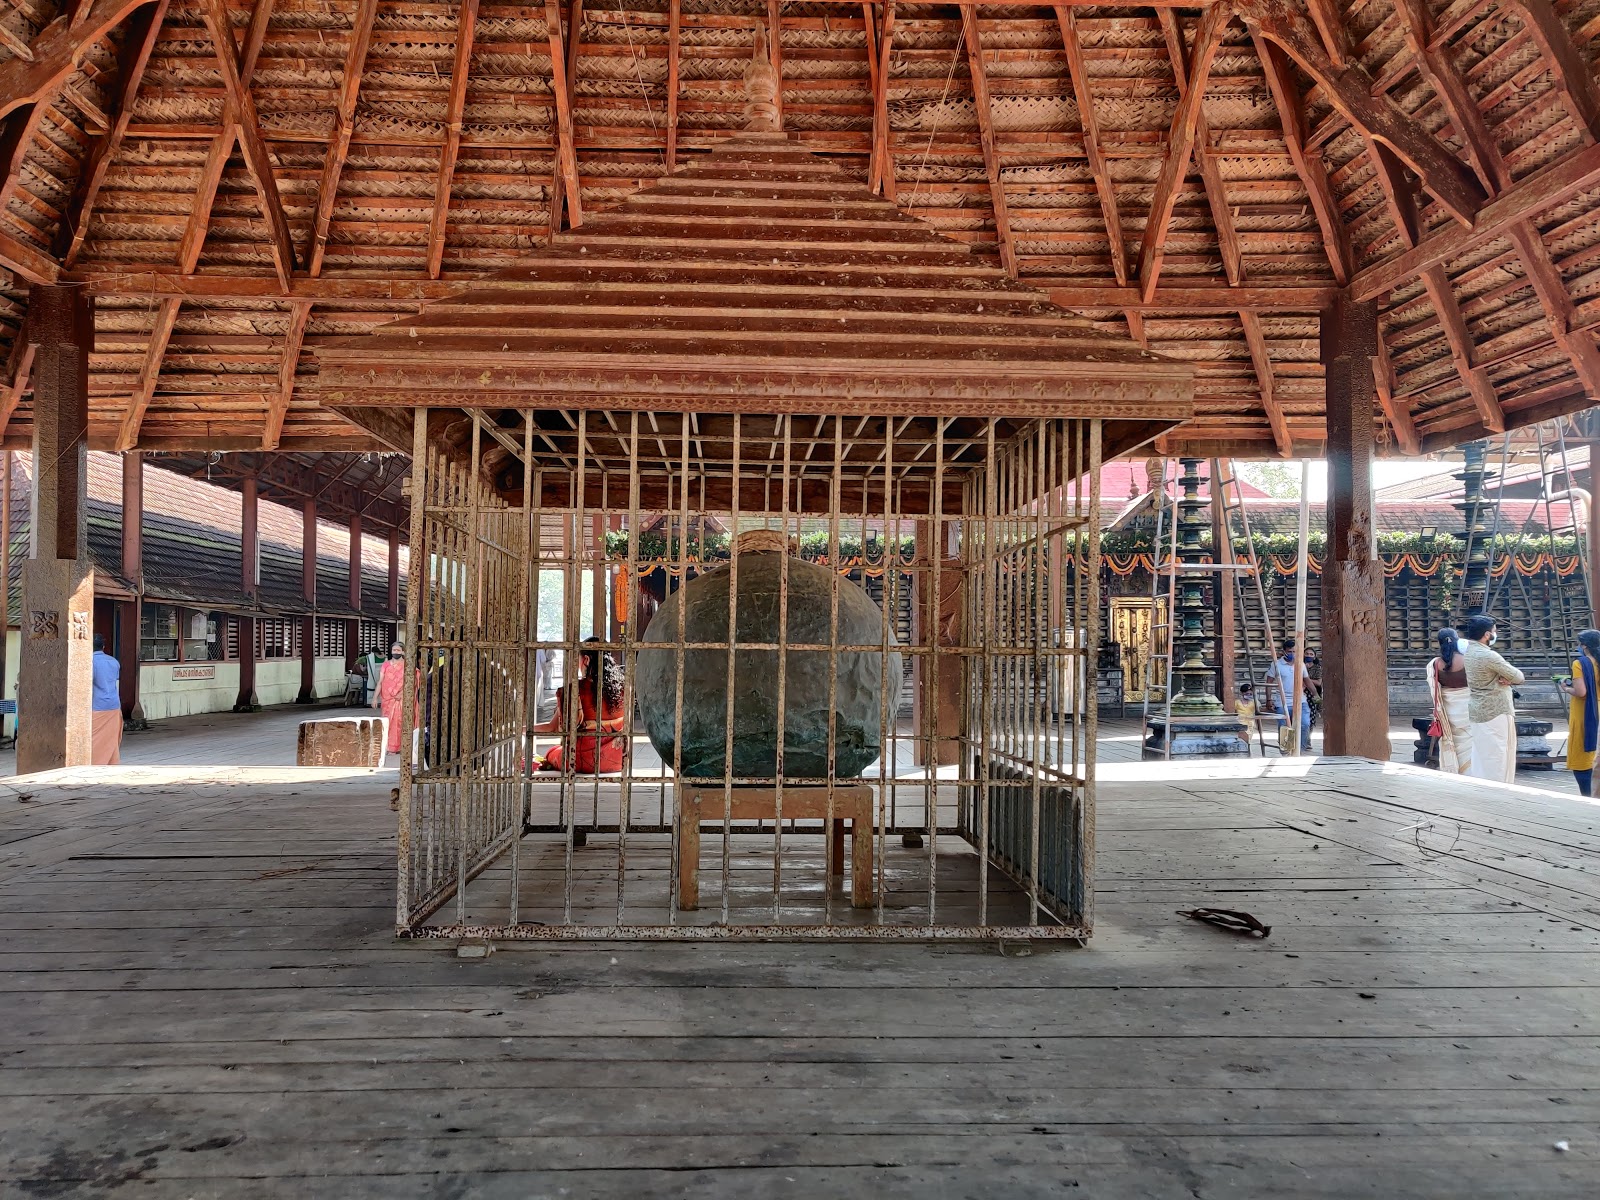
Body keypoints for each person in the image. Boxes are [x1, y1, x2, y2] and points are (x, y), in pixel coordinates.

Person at [532, 638, 626, 774]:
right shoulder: (622, 690)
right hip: (618, 760)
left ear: (586, 660)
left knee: (552, 753)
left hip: (581, 761)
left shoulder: (575, 690)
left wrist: (521, 730)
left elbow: (553, 728)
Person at [1460, 614, 1523, 784]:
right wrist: (1508, 679)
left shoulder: (1469, 652)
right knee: (1498, 755)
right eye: (1494, 631)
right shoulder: (1489, 656)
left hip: (1478, 708)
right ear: (1487, 635)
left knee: (1482, 753)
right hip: (1496, 710)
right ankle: (1497, 790)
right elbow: (1518, 676)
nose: (1495, 634)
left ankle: (1481, 787)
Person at [1559, 629, 1600, 797]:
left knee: (1582, 754)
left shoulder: (1581, 663)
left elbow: (1581, 692)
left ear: (1585, 646)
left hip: (1586, 712)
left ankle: (1586, 794)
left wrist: (1566, 687)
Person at [1428, 627, 1472, 775]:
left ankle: (1453, 768)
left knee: (1452, 739)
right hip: (1468, 708)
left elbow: (1436, 687)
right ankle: (1471, 770)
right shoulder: (1467, 660)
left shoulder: (1435, 664)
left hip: (1448, 710)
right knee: (1470, 741)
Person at [371, 642, 419, 760]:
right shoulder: (386, 665)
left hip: (403, 698)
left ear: (403, 652)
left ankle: (402, 747)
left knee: (401, 722)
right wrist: (374, 698)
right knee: (388, 722)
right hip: (387, 699)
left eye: (398, 650)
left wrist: (402, 693)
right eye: (394, 650)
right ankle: (390, 747)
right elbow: (380, 682)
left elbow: (412, 682)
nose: (396, 652)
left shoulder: (408, 665)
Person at [1272, 638, 1319, 753]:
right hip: (1282, 702)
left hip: (1300, 700)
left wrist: (1316, 695)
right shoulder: (1277, 664)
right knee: (1285, 728)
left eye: (1294, 651)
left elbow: (1307, 681)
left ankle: (1300, 751)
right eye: (1289, 651)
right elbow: (1269, 681)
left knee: (1304, 724)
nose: (1292, 654)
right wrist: (1268, 699)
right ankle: (1286, 751)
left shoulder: (1300, 664)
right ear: (1284, 651)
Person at [90, 635, 122, 766]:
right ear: (103, 647)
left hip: (96, 705)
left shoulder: (89, 662)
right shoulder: (114, 661)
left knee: (94, 739)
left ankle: (94, 763)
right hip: (114, 704)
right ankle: (111, 763)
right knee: (111, 738)